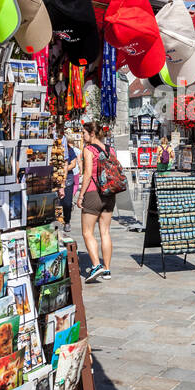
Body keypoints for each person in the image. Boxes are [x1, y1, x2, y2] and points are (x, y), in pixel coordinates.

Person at [77, 120, 116, 282]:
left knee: (87, 232)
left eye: (84, 133)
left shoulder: (88, 149)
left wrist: (80, 195)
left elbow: (87, 175)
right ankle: (107, 269)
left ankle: (96, 265)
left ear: (92, 134)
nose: (82, 136)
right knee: (105, 231)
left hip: (93, 193)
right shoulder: (110, 149)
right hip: (110, 193)